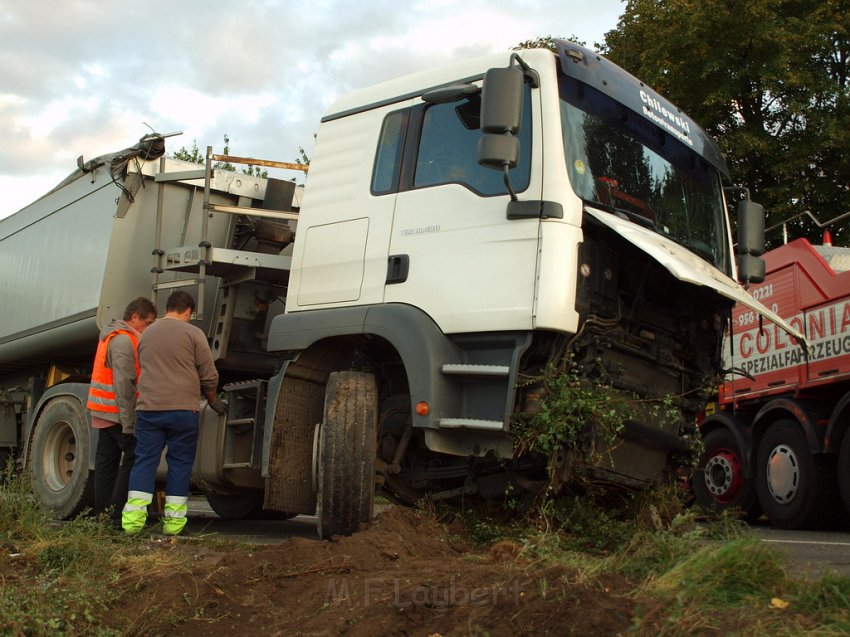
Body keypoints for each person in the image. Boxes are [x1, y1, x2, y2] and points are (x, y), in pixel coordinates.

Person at [121, 291, 227, 535]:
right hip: (183, 410)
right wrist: (212, 400)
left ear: (167, 308)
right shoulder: (193, 334)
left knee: (145, 462)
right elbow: (209, 375)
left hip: (149, 409)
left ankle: (133, 524)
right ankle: (174, 526)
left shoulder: (146, 334)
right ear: (187, 311)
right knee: (179, 465)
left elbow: (143, 366)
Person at [87, 296, 157, 526]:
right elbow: (124, 384)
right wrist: (130, 423)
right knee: (136, 456)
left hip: (103, 411)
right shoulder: (124, 341)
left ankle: (104, 515)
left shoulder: (111, 336)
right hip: (116, 412)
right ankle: (117, 514)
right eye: (147, 323)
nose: (148, 329)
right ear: (134, 317)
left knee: (106, 462)